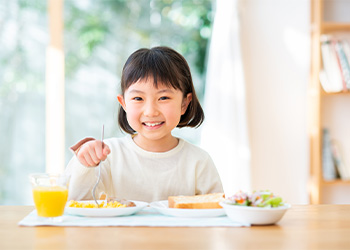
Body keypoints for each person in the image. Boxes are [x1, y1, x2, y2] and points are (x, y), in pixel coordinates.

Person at [65, 46, 223, 203]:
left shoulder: (198, 161)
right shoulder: (108, 155)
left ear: (184, 103)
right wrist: (84, 163)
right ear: (124, 103)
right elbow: (75, 203)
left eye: (163, 98)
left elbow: (216, 213)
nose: (150, 111)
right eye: (138, 99)